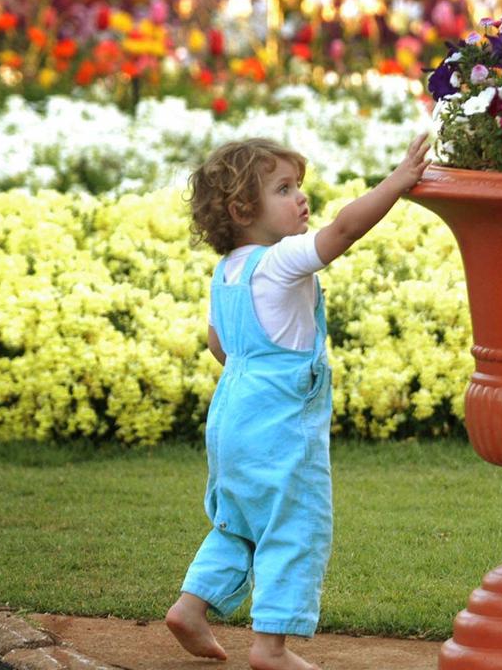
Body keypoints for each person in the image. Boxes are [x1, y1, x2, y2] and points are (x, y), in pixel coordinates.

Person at [167, 134, 430, 670]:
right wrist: (399, 181)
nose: (301, 199)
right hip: (279, 427)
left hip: (231, 419)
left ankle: (191, 607)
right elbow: (344, 229)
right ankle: (271, 649)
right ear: (243, 210)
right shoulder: (281, 261)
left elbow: (221, 346)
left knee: (239, 521)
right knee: (294, 526)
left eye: (298, 187)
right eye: (284, 189)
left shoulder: (228, 273)